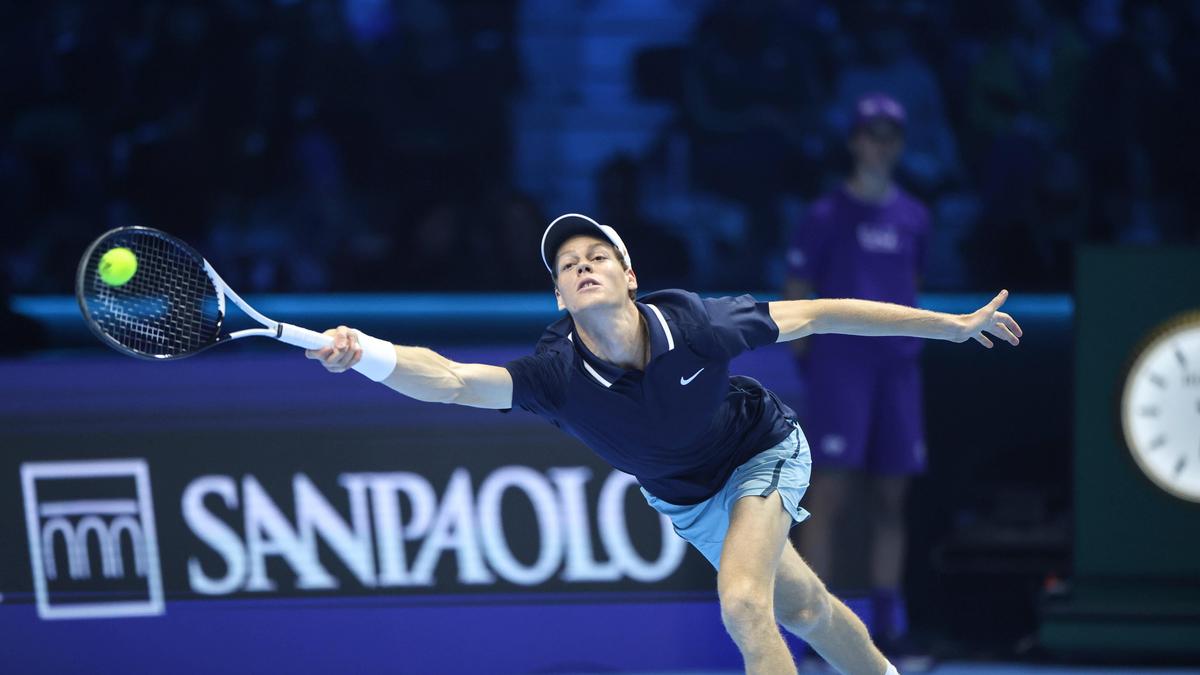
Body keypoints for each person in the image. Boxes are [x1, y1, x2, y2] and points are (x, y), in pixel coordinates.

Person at [308, 213, 1022, 674]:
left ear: (629, 277)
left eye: (598, 255)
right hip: (690, 499)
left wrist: (950, 326)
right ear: (559, 295)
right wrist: (365, 351)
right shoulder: (555, 374)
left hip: (763, 450)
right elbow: (453, 380)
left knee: (744, 602)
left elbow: (822, 312)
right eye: (567, 264)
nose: (582, 265)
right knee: (799, 605)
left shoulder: (699, 324)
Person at [785, 93, 929, 655]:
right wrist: (821, 364)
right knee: (830, 495)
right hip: (841, 371)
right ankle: (814, 629)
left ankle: (891, 624)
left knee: (893, 499)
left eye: (890, 134)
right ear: (854, 142)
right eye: (871, 133)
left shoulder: (916, 216)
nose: (880, 144)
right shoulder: (824, 216)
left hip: (899, 373)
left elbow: (911, 286)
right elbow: (795, 296)